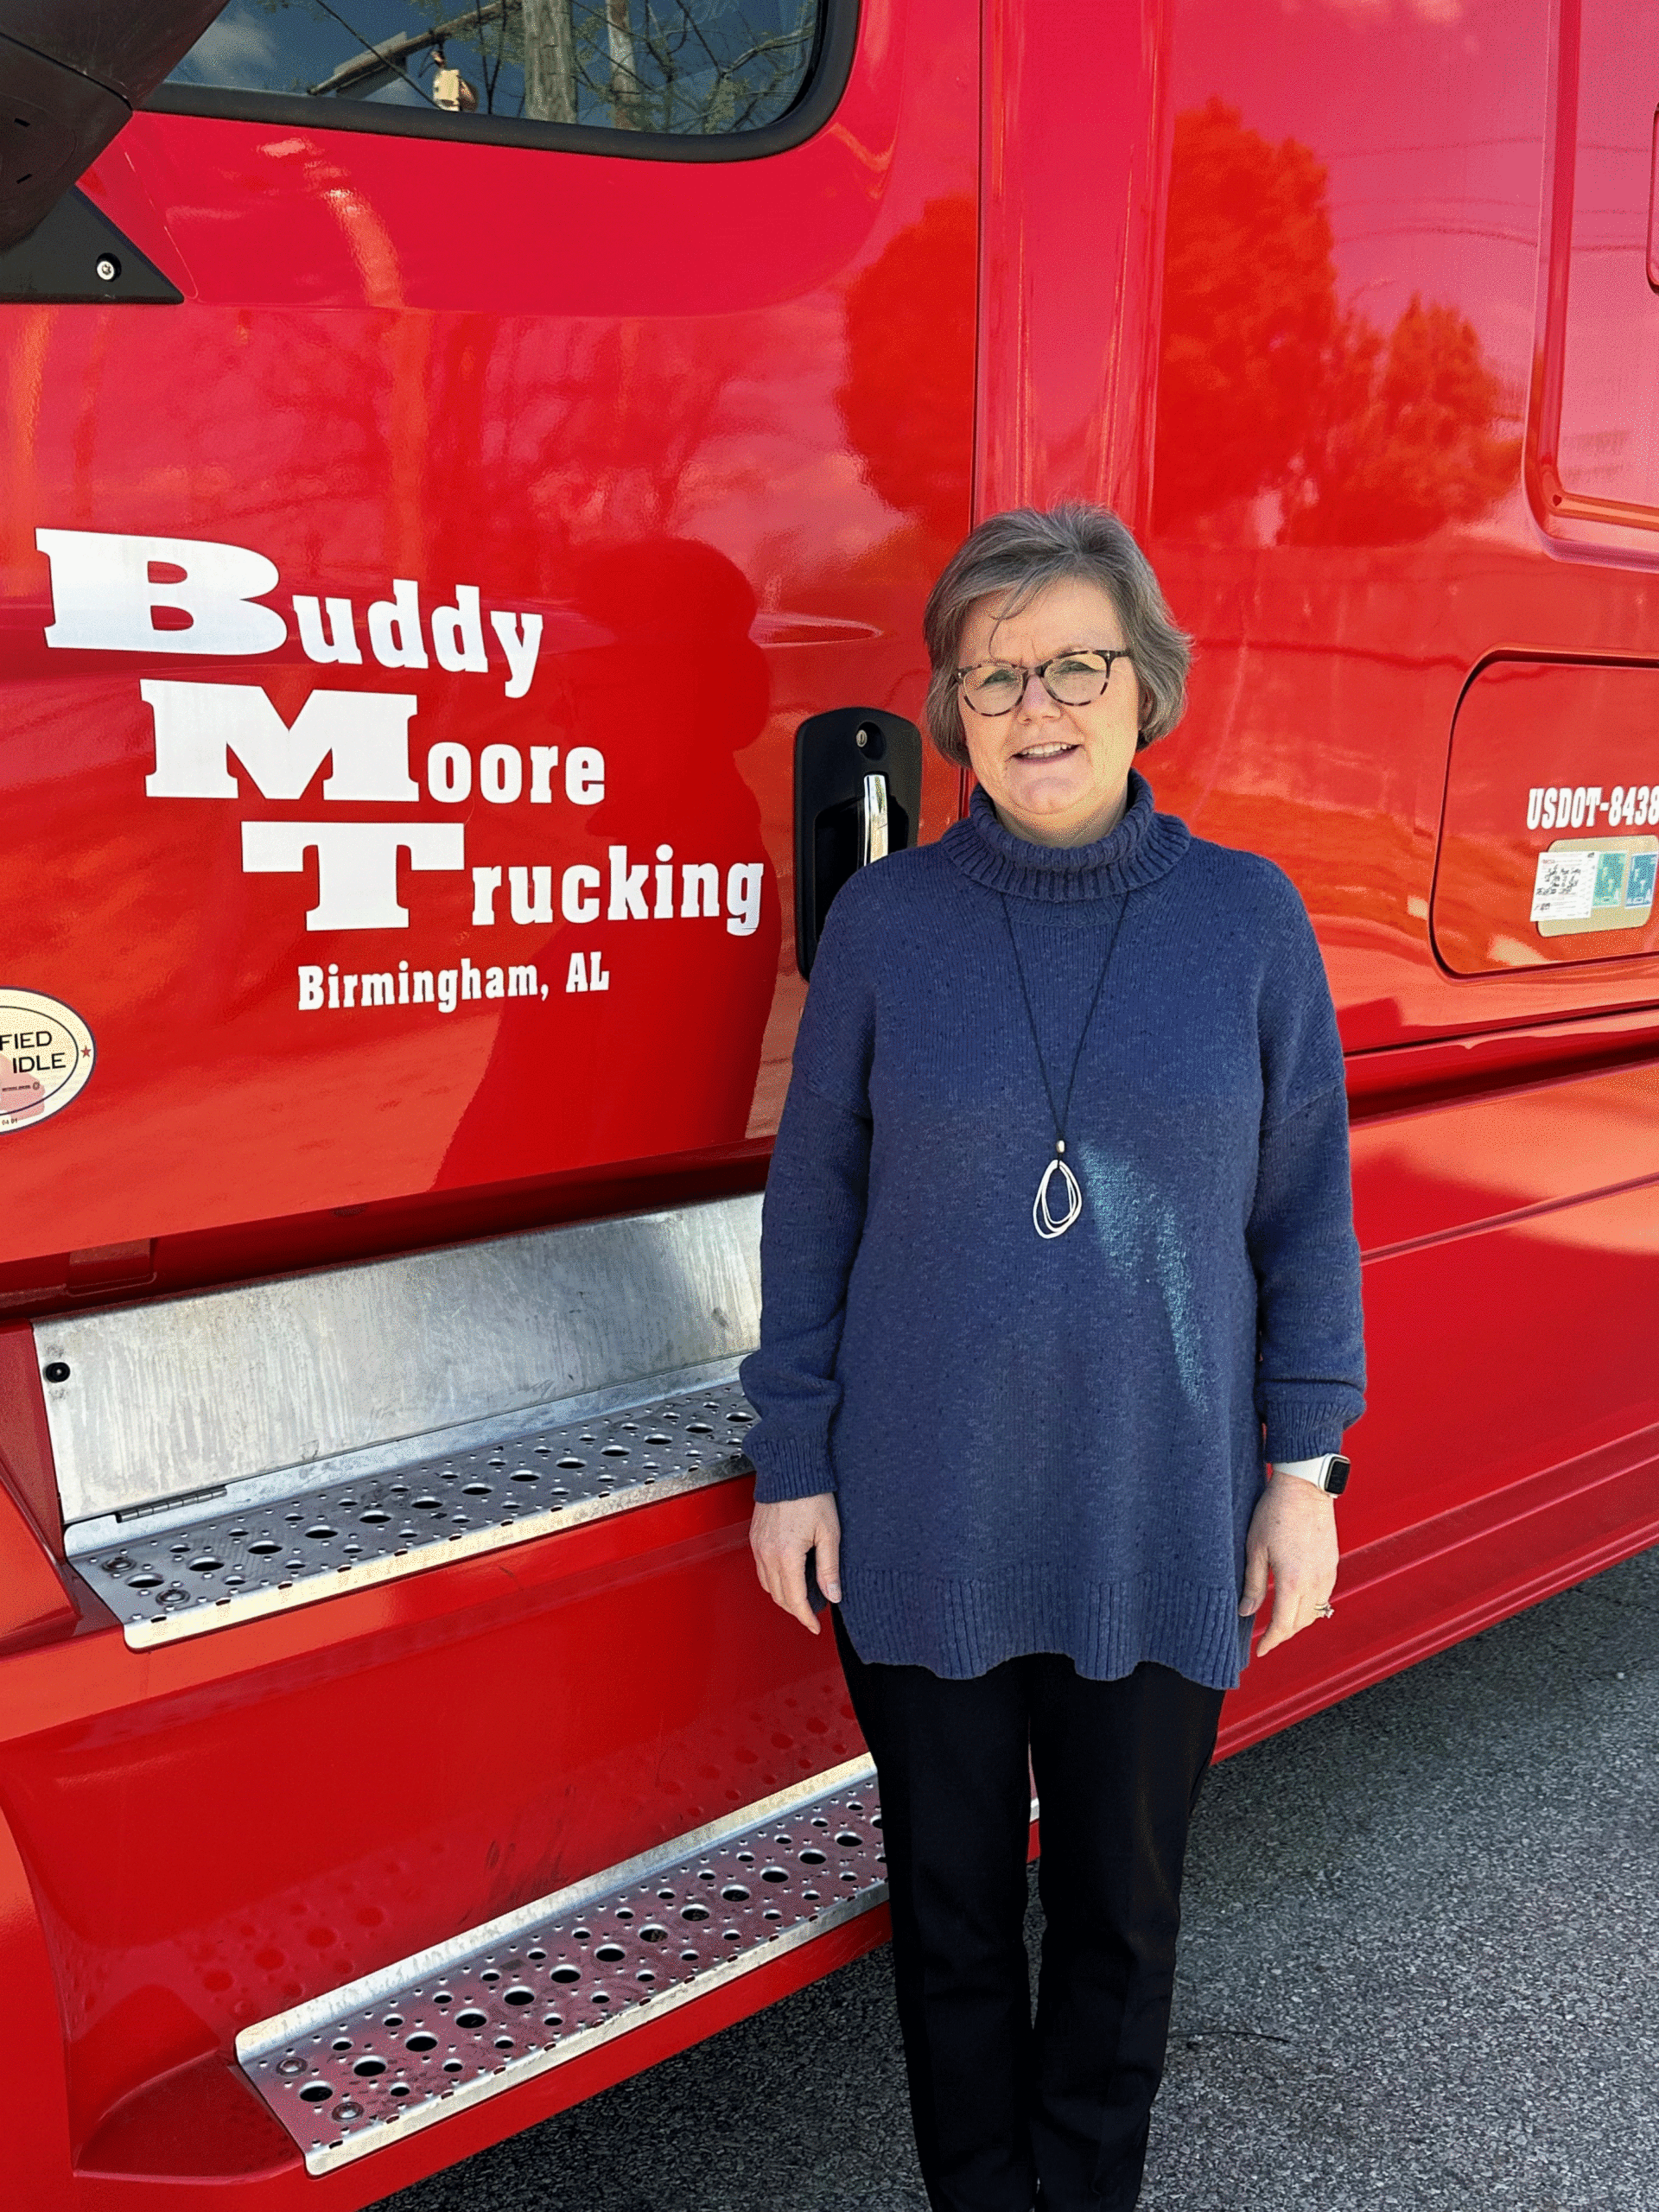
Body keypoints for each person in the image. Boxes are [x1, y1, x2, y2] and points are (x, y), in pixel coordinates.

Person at [740, 502, 1365, 2212]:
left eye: (1075, 663)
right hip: (920, 1508)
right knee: (947, 1909)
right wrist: (790, 1454)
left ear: (1143, 684)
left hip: (1153, 1509)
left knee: (1117, 1909)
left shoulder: (1247, 920)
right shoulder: (887, 925)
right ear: (950, 707)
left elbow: (1305, 1212)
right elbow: (815, 1201)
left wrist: (1299, 1475)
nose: (1037, 704)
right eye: (993, 673)